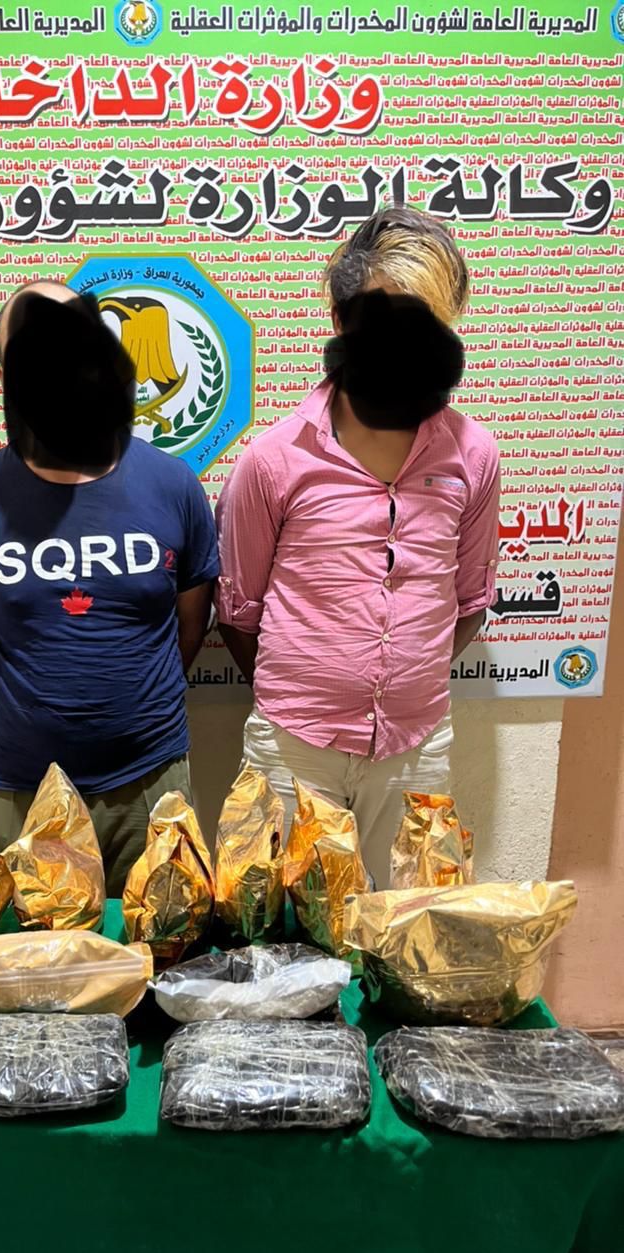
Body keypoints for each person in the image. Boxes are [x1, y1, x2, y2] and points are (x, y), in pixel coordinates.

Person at [215, 207, 500, 886]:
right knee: (282, 931)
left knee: (404, 925)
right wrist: (312, 690)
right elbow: (240, 611)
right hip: (293, 750)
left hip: (416, 748)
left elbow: (469, 601)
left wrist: (399, 683)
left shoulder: (474, 456)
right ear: (342, 322)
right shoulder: (274, 460)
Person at [0, 280, 219, 893]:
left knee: (161, 942)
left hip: (149, 784)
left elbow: (190, 625)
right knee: (28, 951)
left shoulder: (173, 487)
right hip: (21, 792)